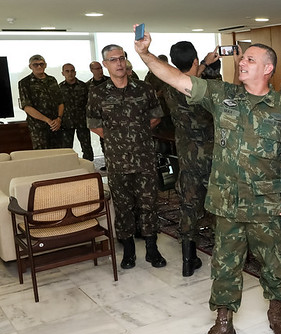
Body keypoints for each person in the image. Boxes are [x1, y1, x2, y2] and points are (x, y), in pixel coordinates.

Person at [134, 30, 281, 334]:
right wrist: (145, 56)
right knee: (224, 264)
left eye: (250, 59)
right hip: (226, 202)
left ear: (268, 68)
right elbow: (178, 80)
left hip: (266, 203)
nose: (241, 62)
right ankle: (223, 324)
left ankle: (276, 313)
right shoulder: (223, 96)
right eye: (242, 58)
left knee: (275, 262)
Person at [87, 44, 168, 271]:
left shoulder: (144, 89)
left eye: (122, 58)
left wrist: (138, 135)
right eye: (113, 60)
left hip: (144, 158)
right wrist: (117, 138)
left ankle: (152, 249)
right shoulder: (98, 93)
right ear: (105, 64)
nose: (119, 63)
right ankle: (129, 251)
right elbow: (94, 124)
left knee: (149, 204)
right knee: (123, 206)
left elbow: (155, 116)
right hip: (117, 160)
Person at [163, 42, 215, 277]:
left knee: (189, 205)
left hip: (186, 157)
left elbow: (186, 80)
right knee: (218, 204)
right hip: (212, 156)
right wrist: (204, 66)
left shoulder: (169, 88)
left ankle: (188, 259)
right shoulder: (207, 88)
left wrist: (202, 64)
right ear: (194, 61)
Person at [18, 55, 65, 149]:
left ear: (45, 65)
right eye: (35, 65)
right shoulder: (24, 83)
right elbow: (27, 107)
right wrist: (47, 120)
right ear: (30, 66)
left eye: (41, 64)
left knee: (59, 155)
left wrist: (59, 118)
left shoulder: (52, 80)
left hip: (56, 125)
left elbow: (60, 102)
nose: (39, 67)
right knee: (43, 157)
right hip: (38, 128)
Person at [59, 63, 90, 153]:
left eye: (72, 71)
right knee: (66, 149)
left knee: (86, 147)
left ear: (75, 72)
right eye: (67, 71)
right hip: (66, 122)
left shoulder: (83, 86)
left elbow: (89, 103)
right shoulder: (59, 87)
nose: (70, 73)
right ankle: (68, 166)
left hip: (82, 121)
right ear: (63, 73)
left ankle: (89, 165)